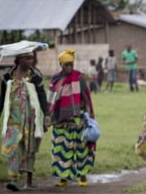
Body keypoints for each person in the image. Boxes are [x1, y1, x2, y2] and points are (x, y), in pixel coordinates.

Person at [0, 46, 50, 191]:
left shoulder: (35, 76)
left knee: (29, 148)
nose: (31, 60)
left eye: (32, 57)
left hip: (31, 119)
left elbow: (42, 97)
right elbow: (2, 96)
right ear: (19, 59)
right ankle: (14, 179)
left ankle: (29, 181)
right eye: (27, 58)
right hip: (13, 119)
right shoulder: (8, 76)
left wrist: (47, 116)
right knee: (13, 146)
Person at [47, 49, 95, 187]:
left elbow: (86, 97)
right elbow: (50, 99)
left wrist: (89, 115)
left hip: (78, 119)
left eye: (71, 64)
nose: (68, 67)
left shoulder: (79, 77)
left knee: (81, 148)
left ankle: (82, 176)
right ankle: (63, 178)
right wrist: (48, 118)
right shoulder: (56, 79)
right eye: (66, 65)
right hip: (60, 121)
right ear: (60, 65)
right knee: (61, 149)